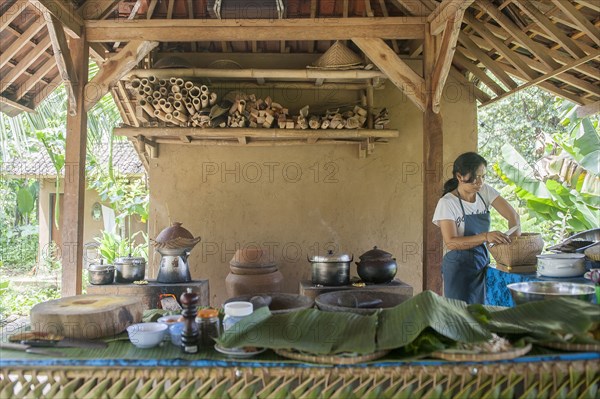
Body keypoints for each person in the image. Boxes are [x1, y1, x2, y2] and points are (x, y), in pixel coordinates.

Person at [432, 152, 520, 304]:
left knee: (480, 314)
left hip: (481, 262)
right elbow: (451, 243)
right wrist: (485, 236)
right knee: (459, 315)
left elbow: (514, 217)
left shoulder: (484, 191)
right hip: (458, 267)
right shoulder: (447, 203)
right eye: (475, 178)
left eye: (483, 176)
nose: (480, 182)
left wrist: (514, 249)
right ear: (459, 177)